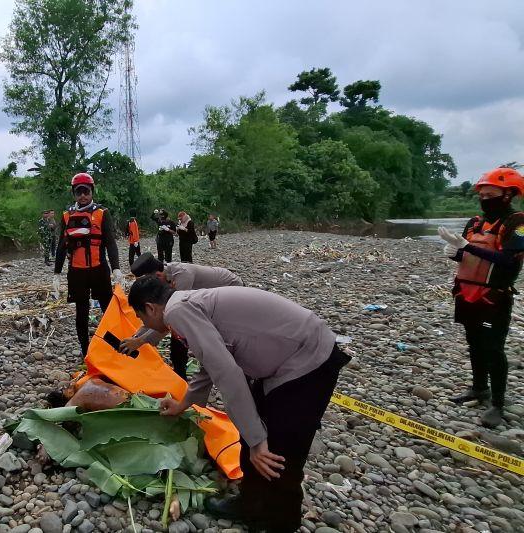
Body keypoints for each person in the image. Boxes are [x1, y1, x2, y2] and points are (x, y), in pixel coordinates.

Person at [128, 276, 349, 532]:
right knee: (251, 432)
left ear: (151, 307)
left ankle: (281, 522)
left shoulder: (177, 311)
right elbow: (212, 361)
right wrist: (184, 403)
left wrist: (257, 440)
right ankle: (251, 504)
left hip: (307, 361)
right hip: (287, 359)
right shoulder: (185, 303)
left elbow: (227, 373)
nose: (146, 325)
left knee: (277, 453)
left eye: (142, 318)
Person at [438, 167, 524, 428]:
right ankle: (478, 388)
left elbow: (508, 262)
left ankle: (498, 403)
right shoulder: (475, 223)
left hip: (494, 296)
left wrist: (467, 247)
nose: (486, 198)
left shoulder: (517, 224)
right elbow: (468, 255)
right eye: (483, 194)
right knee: (474, 343)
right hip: (467, 292)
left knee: (493, 348)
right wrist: (456, 253)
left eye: (492, 194)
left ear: (508, 194)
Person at [120, 252, 243, 379]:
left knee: (179, 334)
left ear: (157, 275)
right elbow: (153, 316)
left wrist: (139, 342)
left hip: (234, 291)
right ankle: (180, 372)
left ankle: (180, 374)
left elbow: (169, 321)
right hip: (209, 300)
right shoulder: (164, 277)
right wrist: (134, 338)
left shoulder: (183, 275)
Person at [53, 173, 124, 356]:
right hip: (77, 273)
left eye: (86, 192)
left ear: (92, 191)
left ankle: (113, 347)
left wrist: (116, 268)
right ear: (74, 194)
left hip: (99, 270)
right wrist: (56, 273)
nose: (83, 196)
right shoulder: (67, 216)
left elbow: (110, 242)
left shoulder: (102, 213)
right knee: (81, 312)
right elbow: (62, 246)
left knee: (108, 309)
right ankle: (86, 351)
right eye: (79, 192)